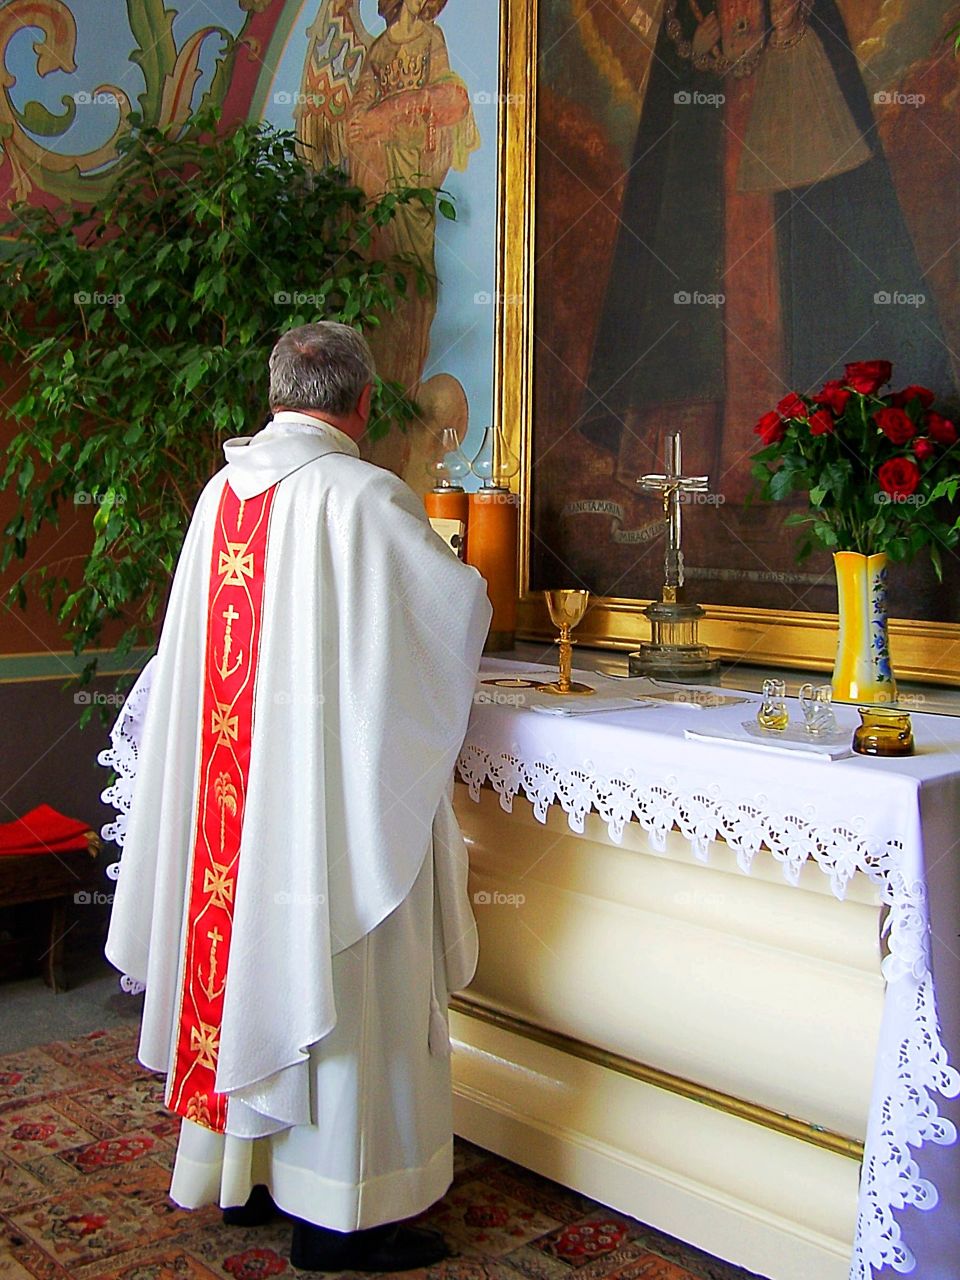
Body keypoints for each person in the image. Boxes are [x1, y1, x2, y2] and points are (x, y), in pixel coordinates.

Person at [104, 322, 492, 1272]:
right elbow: (452, 617)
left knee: (240, 961)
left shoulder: (219, 496)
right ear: (360, 404)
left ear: (277, 395)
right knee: (350, 975)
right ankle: (338, 1213)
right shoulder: (365, 497)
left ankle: (244, 1175)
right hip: (318, 816)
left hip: (236, 820)